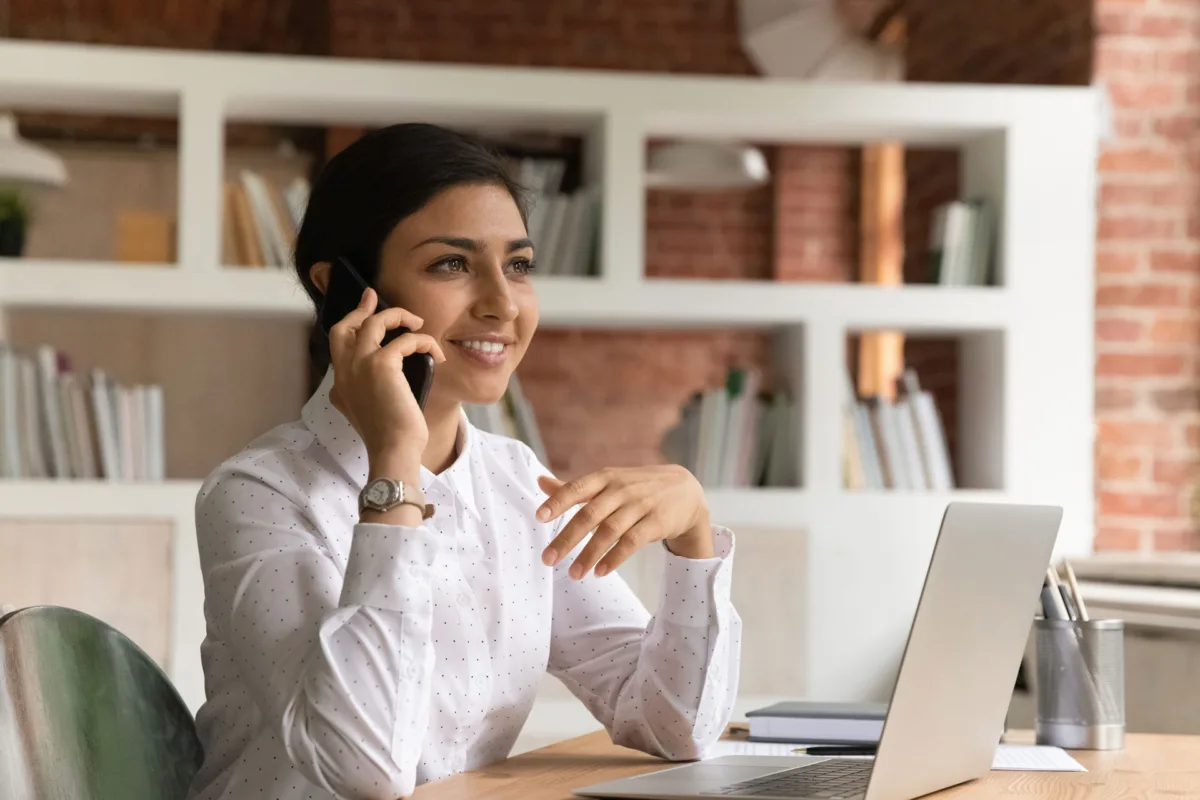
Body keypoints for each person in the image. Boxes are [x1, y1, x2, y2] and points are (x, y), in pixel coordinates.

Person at [186, 122, 742, 800]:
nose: (502, 304)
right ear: (344, 290)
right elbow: (366, 769)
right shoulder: (258, 494)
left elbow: (674, 726)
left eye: (518, 265)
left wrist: (693, 540)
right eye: (451, 264)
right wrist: (396, 459)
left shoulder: (513, 481)